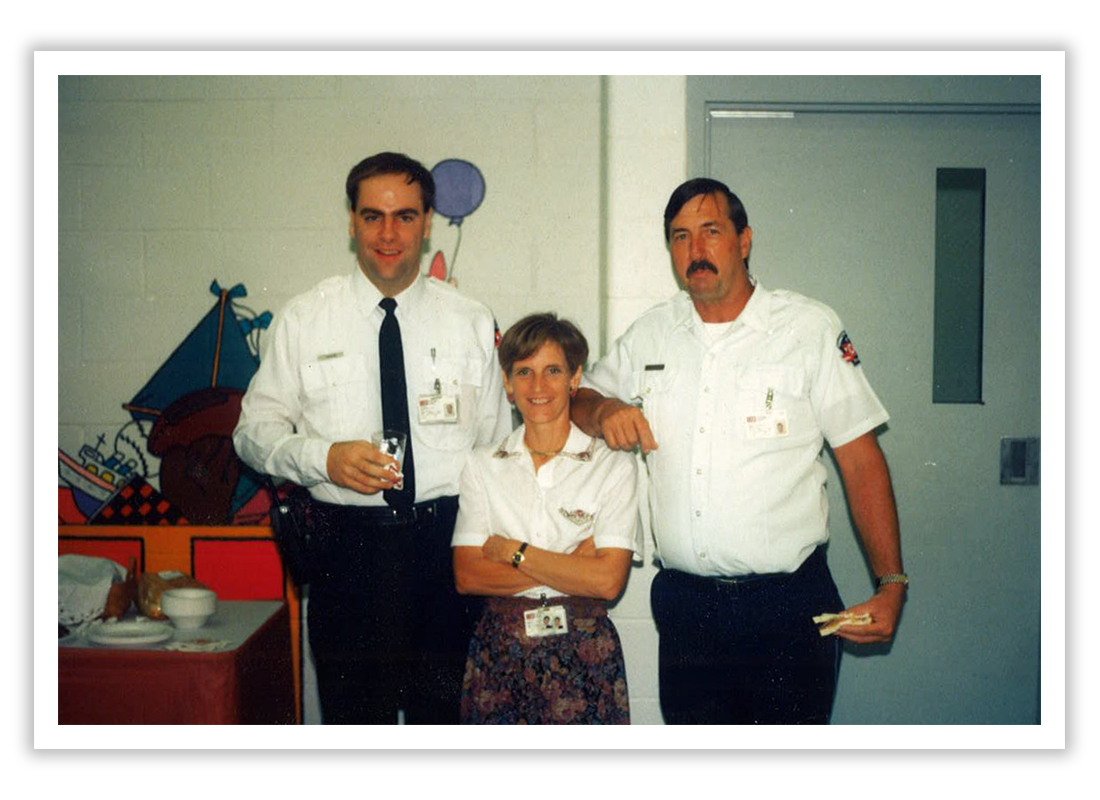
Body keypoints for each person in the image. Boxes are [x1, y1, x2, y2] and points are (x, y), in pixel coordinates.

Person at [572, 178, 906, 725]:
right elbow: (582, 399)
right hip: (687, 610)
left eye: (711, 232)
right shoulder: (652, 334)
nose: (695, 251)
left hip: (788, 608)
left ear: (744, 240)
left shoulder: (805, 327)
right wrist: (604, 411)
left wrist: (891, 584)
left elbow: (861, 458)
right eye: (680, 236)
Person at [233, 152, 512, 724]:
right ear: (352, 221)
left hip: (447, 554)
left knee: (446, 721)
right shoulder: (306, 319)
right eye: (372, 216)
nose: (389, 233)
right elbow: (251, 433)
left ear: (428, 221)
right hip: (346, 555)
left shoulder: (471, 320)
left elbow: (494, 447)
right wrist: (321, 458)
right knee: (355, 720)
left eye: (406, 216)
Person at [452, 313, 642, 724]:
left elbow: (608, 582)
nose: (538, 387)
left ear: (575, 379)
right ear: (506, 383)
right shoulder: (482, 465)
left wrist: (511, 551)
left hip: (586, 655)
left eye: (553, 371)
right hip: (500, 654)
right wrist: (571, 563)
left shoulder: (612, 466)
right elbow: (468, 575)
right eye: (524, 372)